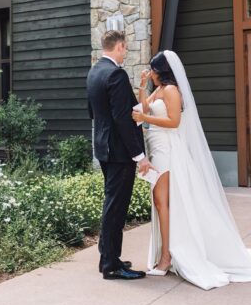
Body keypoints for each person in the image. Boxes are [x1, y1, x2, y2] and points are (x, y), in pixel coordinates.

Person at [132, 50, 251, 290]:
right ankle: (165, 252)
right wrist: (142, 87)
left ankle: (167, 257)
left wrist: (146, 116)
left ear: (161, 70)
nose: (151, 72)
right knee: (160, 202)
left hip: (167, 148)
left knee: (161, 201)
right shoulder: (158, 89)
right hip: (156, 146)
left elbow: (173, 121)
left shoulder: (172, 91)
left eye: (153, 69)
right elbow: (144, 109)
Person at [86, 30, 153, 280]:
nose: (126, 53)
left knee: (110, 204)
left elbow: (91, 111)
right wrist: (139, 155)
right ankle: (111, 266)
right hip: (120, 153)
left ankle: (108, 256)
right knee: (116, 208)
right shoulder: (116, 73)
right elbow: (124, 119)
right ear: (120, 47)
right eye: (125, 49)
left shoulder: (94, 72)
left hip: (104, 148)